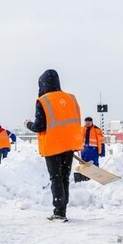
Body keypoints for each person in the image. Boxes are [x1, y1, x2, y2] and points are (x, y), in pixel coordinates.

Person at [25, 69, 83, 222]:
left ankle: (58, 211)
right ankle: (62, 210)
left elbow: (39, 126)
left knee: (56, 178)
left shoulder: (44, 100)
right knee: (64, 177)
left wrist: (27, 124)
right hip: (69, 144)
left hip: (53, 145)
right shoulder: (71, 98)